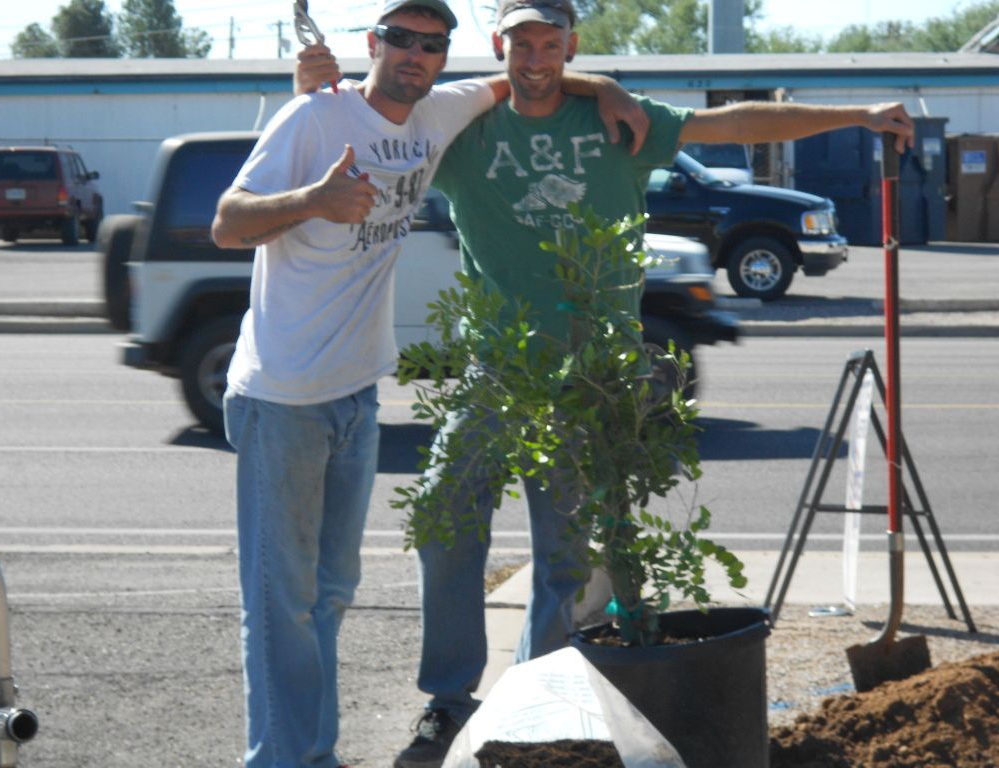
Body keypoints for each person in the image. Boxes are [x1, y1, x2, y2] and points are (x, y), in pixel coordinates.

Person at [296, 4, 914, 766]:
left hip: (592, 377)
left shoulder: (619, 125)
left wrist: (859, 114)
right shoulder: (465, 126)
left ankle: (533, 702)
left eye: (551, 44)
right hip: (500, 370)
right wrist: (316, 89)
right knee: (443, 518)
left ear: (570, 47)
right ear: (500, 46)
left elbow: (735, 127)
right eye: (521, 41)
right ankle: (451, 699)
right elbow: (379, 111)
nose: (534, 57)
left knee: (568, 557)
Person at [213, 1, 646, 765]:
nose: (417, 54)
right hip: (281, 397)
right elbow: (228, 221)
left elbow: (532, 72)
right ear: (372, 43)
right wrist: (313, 199)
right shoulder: (315, 118)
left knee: (329, 594)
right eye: (403, 39)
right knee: (282, 604)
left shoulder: (437, 113)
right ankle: (285, 760)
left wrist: (605, 84)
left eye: (433, 44)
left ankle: (312, 753)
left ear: (448, 56)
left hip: (353, 396)